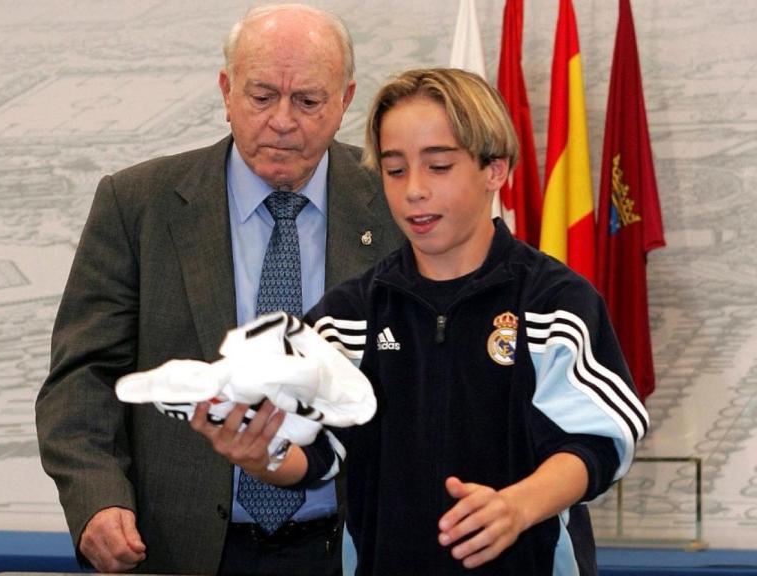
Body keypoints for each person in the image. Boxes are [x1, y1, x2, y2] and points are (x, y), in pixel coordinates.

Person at [35, 4, 401, 574]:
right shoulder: (138, 204)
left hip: (355, 546)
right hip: (183, 548)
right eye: (260, 97)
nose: (282, 120)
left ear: (346, 99)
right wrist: (96, 499)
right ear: (226, 90)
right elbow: (83, 376)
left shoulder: (399, 205)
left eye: (308, 100)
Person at [300, 68, 650, 574]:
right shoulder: (348, 315)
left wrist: (517, 506)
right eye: (395, 171)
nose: (414, 190)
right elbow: (313, 452)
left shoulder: (557, 303)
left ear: (495, 171)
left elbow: (598, 442)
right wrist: (252, 448)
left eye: (438, 166)